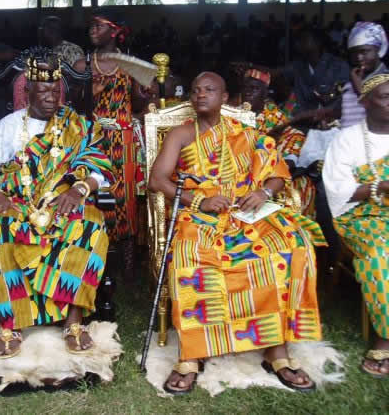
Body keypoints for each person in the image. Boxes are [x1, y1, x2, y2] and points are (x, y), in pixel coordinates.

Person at [149, 72, 325, 394]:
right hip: (200, 215)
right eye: (195, 90)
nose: (201, 95)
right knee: (192, 255)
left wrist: (264, 194)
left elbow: (275, 174)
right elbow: (158, 180)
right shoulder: (180, 134)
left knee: (291, 245)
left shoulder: (247, 134)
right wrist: (199, 200)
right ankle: (192, 353)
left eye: (209, 90)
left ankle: (276, 350)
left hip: (246, 212)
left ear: (225, 96)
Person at [0, 52, 115, 357]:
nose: (51, 97)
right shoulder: (8, 126)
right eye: (44, 91)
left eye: (56, 91)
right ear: (28, 92)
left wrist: (78, 189)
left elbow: (99, 168)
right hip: (20, 201)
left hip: (66, 200)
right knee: (7, 228)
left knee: (90, 226)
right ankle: (11, 326)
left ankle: (74, 322)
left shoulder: (78, 125)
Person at [73, 11, 150, 279]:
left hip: (123, 139)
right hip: (93, 137)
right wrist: (90, 94)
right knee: (91, 195)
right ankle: (91, 259)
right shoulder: (82, 64)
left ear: (115, 31)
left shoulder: (130, 64)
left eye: (99, 26)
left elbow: (140, 104)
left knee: (125, 199)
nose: (92, 29)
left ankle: (127, 269)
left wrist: (144, 91)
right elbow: (74, 104)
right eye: (90, 25)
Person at [323, 74, 389, 378]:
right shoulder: (347, 139)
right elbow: (338, 191)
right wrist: (381, 188)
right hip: (360, 216)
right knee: (381, 254)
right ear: (365, 102)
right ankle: (385, 340)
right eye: (385, 96)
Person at [241, 68, 315, 216]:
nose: (248, 93)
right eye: (245, 88)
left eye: (254, 88)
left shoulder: (278, 122)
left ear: (266, 94)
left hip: (270, 176)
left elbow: (289, 163)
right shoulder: (232, 116)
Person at [283, 29, 349, 115]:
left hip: (329, 118)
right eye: (298, 41)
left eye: (304, 40)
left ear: (317, 43)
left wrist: (331, 95)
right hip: (302, 118)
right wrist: (287, 111)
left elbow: (344, 88)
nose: (298, 44)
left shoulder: (338, 65)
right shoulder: (298, 65)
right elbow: (292, 95)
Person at [340, 22, 388, 129]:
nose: (359, 58)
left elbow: (382, 113)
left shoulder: (386, 79)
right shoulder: (356, 77)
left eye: (364, 52)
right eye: (354, 53)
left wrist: (360, 88)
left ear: (379, 49)